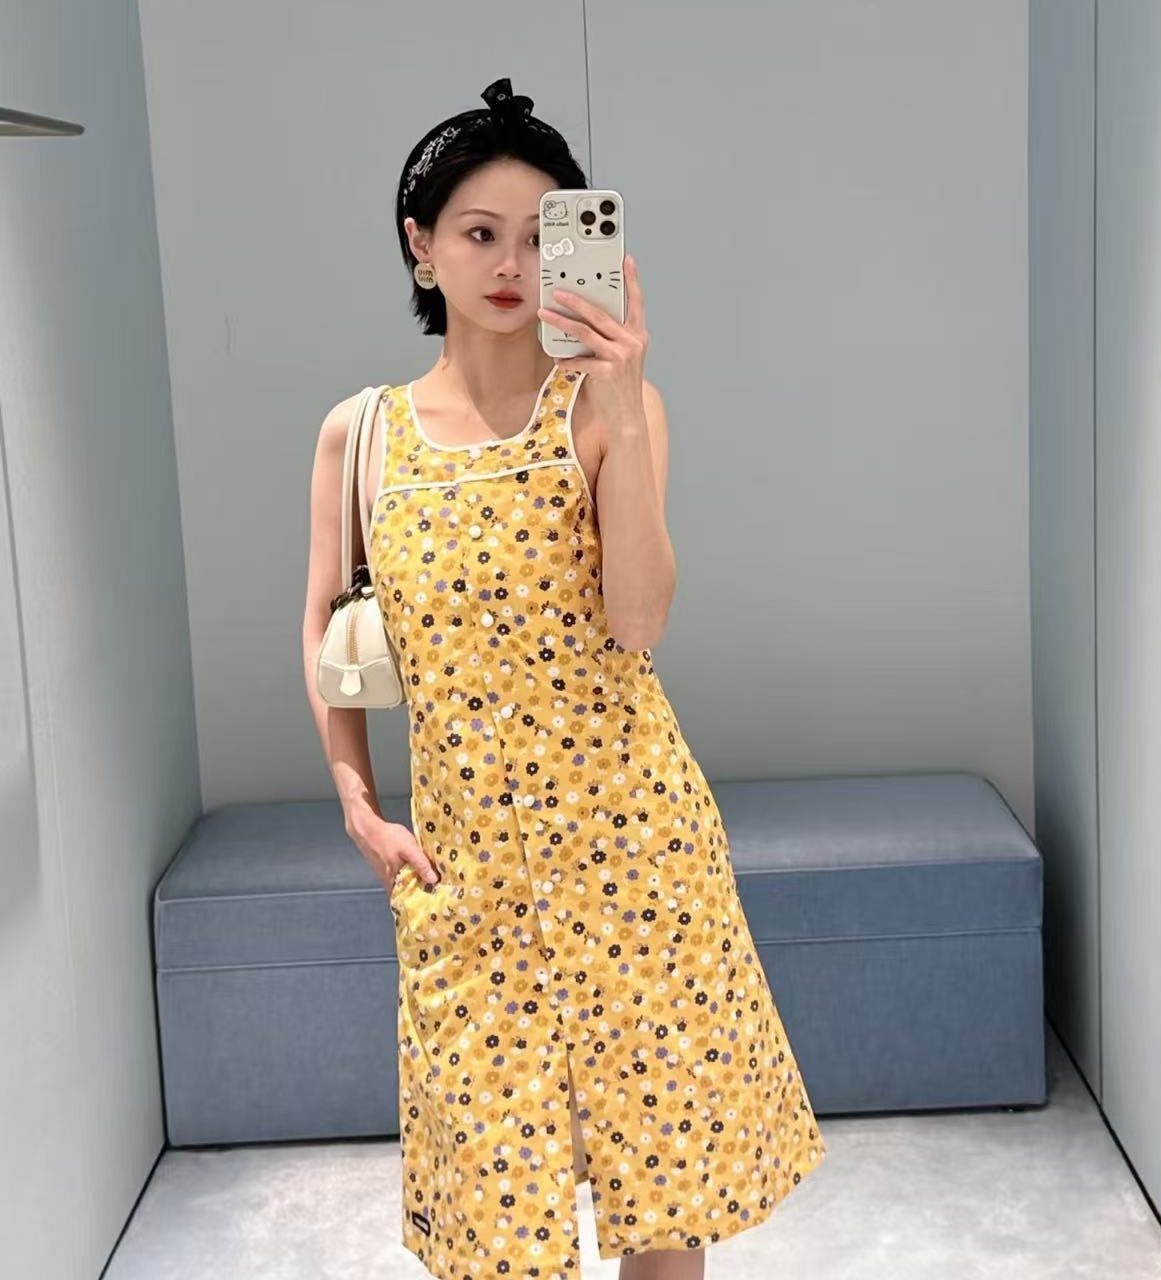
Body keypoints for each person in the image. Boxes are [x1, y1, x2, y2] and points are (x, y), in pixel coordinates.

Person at [301, 77, 825, 1280]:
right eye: (478, 231)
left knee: (665, 1188)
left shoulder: (603, 412)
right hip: (467, 874)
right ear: (420, 245)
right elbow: (325, 629)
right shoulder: (360, 435)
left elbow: (638, 621)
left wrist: (623, 402)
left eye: (539, 236)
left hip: (636, 857)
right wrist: (357, 804)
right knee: (494, 1223)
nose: (510, 263)